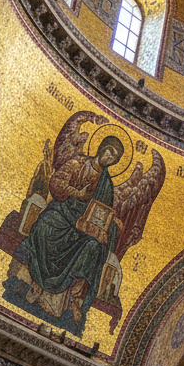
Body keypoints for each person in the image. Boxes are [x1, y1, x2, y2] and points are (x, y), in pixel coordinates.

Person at [17, 134, 123, 325]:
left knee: (94, 248)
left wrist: (108, 223)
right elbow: (56, 184)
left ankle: (73, 299)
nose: (110, 158)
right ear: (102, 148)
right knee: (44, 226)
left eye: (114, 158)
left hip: (84, 226)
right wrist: (76, 193)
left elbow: (103, 210)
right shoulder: (78, 163)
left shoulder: (107, 184)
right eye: (110, 152)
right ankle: (37, 284)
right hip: (63, 210)